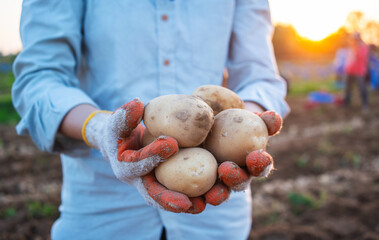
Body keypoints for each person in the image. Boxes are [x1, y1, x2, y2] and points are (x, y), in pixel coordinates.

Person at [12, 1, 289, 239]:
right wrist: (99, 128)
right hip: (101, 210)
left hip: (216, 215)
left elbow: (260, 76)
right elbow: (39, 79)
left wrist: (246, 128)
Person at [344, 32, 370, 112]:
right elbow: (349, 59)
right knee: (348, 88)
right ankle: (347, 103)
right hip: (350, 70)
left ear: (359, 38)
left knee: (362, 88)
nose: (354, 40)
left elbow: (362, 58)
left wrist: (357, 49)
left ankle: (365, 105)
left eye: (355, 39)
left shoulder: (364, 47)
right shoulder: (351, 47)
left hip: (360, 71)